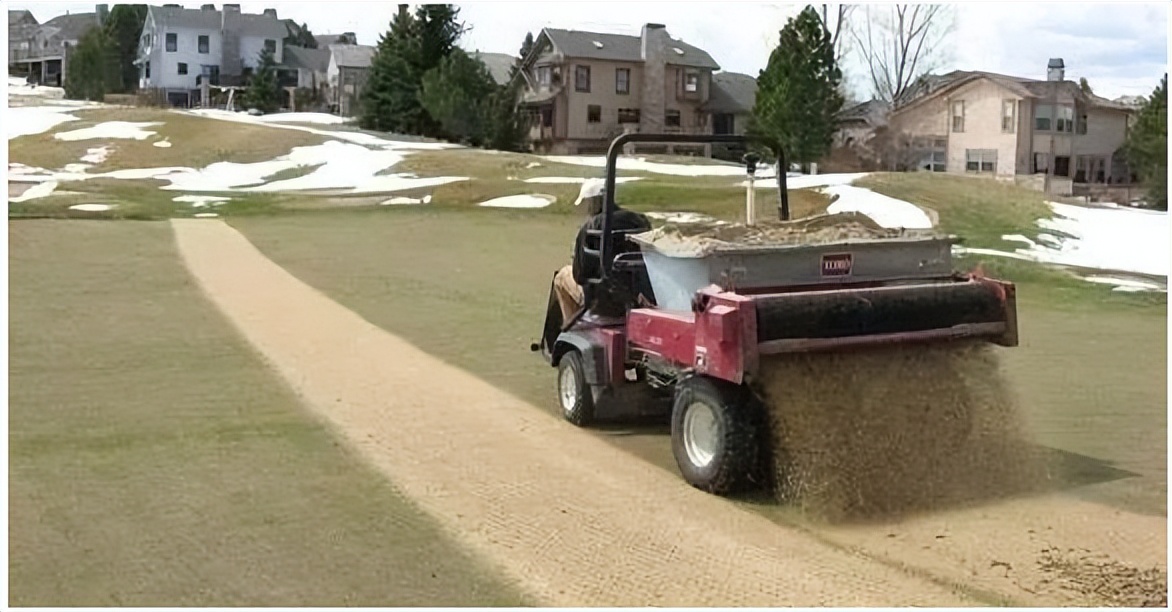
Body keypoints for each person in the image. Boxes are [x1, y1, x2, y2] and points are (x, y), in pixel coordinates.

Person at [553, 178, 651, 323]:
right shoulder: (639, 220)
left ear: (594, 201)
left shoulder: (591, 227)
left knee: (561, 277)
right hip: (636, 294)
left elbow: (579, 275)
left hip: (601, 299)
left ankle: (572, 328)